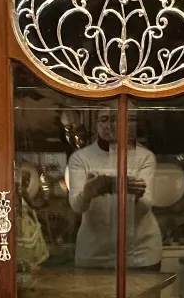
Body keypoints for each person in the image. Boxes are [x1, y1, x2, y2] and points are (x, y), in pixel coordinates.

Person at [65, 110, 160, 269]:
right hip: (94, 253)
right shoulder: (80, 158)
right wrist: (88, 193)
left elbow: (145, 205)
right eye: (104, 120)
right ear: (96, 125)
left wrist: (134, 194)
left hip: (140, 253)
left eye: (117, 119)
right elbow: (77, 206)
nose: (110, 125)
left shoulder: (145, 157)